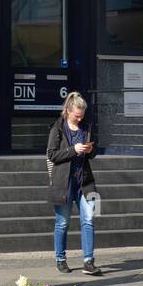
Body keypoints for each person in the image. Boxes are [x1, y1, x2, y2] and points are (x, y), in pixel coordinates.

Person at [46, 92, 101, 275]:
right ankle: (60, 259)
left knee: (89, 219)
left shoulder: (86, 128)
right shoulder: (58, 129)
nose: (80, 118)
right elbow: (52, 154)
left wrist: (90, 150)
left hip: (85, 182)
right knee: (62, 222)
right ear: (68, 111)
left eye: (82, 115)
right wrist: (73, 150)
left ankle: (89, 261)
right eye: (77, 115)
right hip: (64, 184)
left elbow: (93, 154)